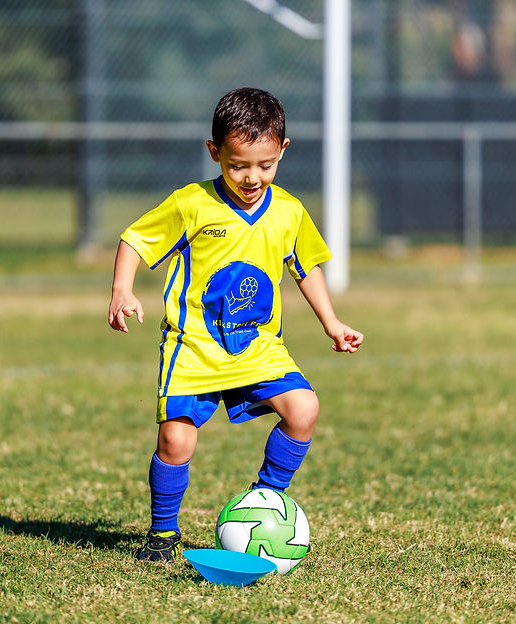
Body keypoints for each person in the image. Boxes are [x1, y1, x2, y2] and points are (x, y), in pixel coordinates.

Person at [108, 87, 364, 562]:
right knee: (176, 440)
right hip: (194, 346)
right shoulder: (192, 204)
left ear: (282, 151)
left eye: (265, 165)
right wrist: (123, 288)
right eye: (238, 165)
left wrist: (331, 322)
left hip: (257, 345)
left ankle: (262, 500)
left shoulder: (288, 210)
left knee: (303, 409)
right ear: (214, 153)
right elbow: (135, 239)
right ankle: (162, 536)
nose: (251, 177)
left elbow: (305, 265)